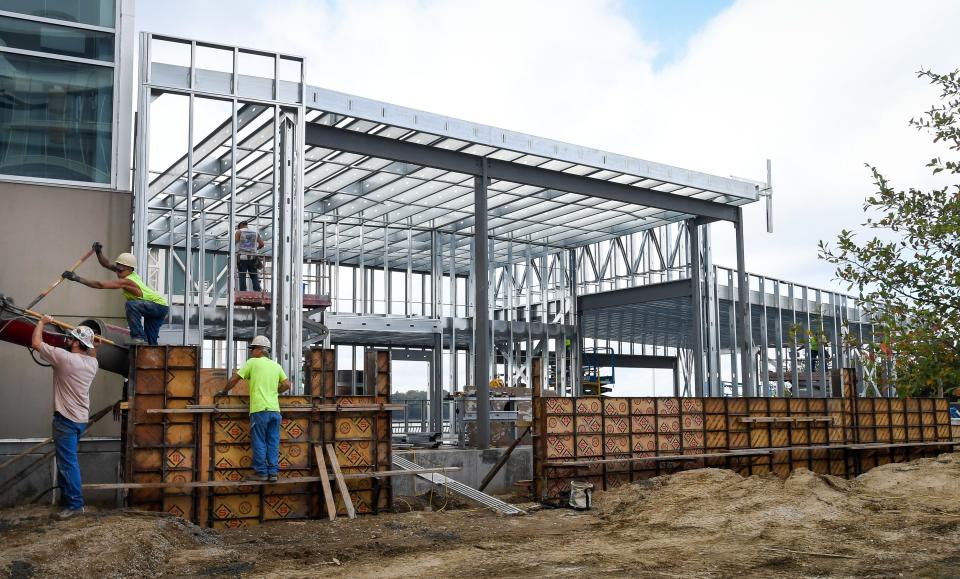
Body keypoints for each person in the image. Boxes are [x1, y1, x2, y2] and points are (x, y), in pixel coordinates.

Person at [31, 315, 98, 519]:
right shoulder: (92, 364)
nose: (67, 340)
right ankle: (67, 500)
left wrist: (42, 322)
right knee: (65, 462)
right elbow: (93, 351)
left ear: (78, 343)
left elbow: (35, 343)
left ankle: (76, 505)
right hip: (79, 420)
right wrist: (92, 341)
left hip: (66, 420)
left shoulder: (65, 358)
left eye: (71, 338)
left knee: (68, 463)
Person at [62, 243, 169, 345]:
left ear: (130, 270)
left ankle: (138, 337)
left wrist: (77, 278)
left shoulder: (127, 281)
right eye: (117, 269)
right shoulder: (126, 272)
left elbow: (100, 285)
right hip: (159, 307)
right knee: (151, 341)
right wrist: (99, 252)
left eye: (120, 271)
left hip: (158, 305)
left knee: (131, 305)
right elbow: (106, 264)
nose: (117, 273)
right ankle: (149, 355)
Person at [217, 336, 291, 482]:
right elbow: (288, 384)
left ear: (260, 350)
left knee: (259, 441)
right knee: (273, 441)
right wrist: (276, 391)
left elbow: (234, 379)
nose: (251, 352)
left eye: (252, 349)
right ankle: (273, 473)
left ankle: (262, 473)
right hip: (275, 411)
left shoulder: (252, 363)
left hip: (259, 410)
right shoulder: (276, 366)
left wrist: (224, 392)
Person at [236, 221, 265, 292]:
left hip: (242, 257)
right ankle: (257, 290)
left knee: (242, 275)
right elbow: (261, 244)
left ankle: (243, 291)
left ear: (241, 225)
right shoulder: (255, 232)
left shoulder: (239, 232)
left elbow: (234, 242)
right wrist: (255, 249)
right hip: (253, 257)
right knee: (254, 275)